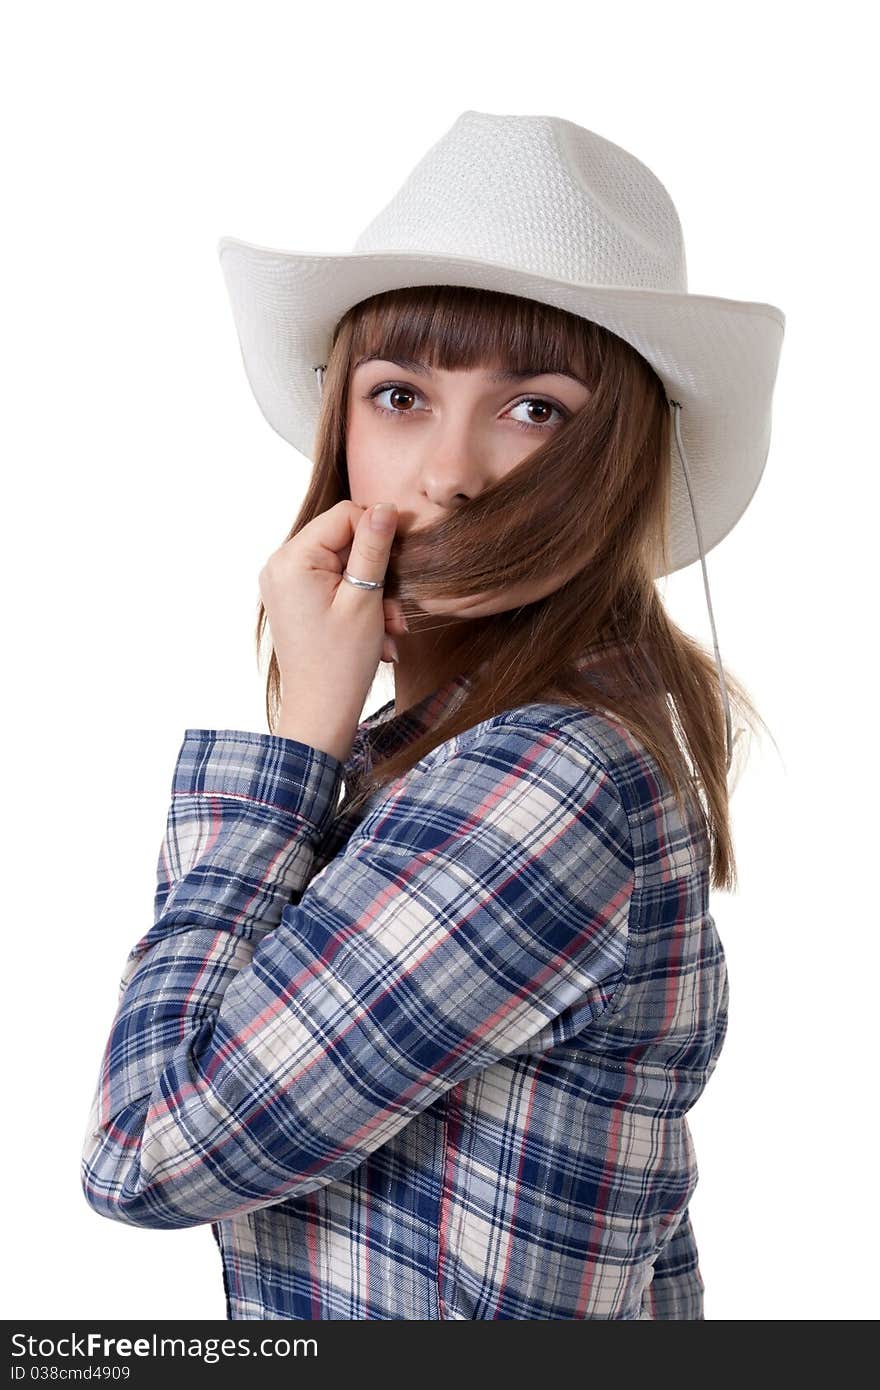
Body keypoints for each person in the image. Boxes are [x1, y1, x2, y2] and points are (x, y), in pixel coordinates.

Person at [80, 110, 785, 1320]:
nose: (449, 471)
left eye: (535, 410)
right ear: (339, 427)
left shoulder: (544, 779)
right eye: (401, 393)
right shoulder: (454, 766)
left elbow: (145, 1150)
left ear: (620, 454)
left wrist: (299, 734)